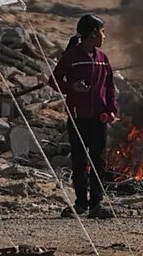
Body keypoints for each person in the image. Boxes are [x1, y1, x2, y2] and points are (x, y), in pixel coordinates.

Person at [50, 14, 118, 220]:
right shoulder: (72, 56)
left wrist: (111, 109)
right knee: (79, 161)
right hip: (78, 117)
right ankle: (80, 203)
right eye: (103, 32)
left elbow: (110, 86)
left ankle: (96, 204)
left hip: (99, 119)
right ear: (94, 33)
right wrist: (72, 87)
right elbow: (54, 80)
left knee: (98, 160)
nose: (104, 36)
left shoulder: (102, 59)